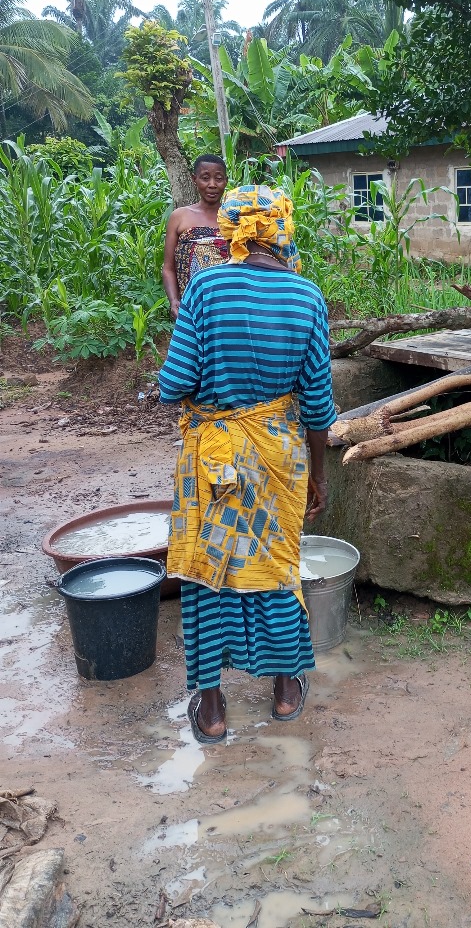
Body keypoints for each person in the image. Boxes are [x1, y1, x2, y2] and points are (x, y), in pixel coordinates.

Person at [158, 184, 336, 743]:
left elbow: (173, 385)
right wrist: (318, 478)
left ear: (232, 228)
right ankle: (285, 693)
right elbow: (318, 407)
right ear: (281, 230)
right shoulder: (308, 298)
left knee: (208, 575)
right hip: (280, 461)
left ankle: (211, 710)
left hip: (212, 459)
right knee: (277, 570)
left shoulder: (206, 287)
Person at [162, 155, 229, 320]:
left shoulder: (235, 218)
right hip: (190, 306)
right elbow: (168, 267)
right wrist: (174, 300)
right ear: (194, 179)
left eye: (218, 179)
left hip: (228, 306)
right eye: (205, 178)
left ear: (226, 181)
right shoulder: (179, 216)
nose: (212, 184)